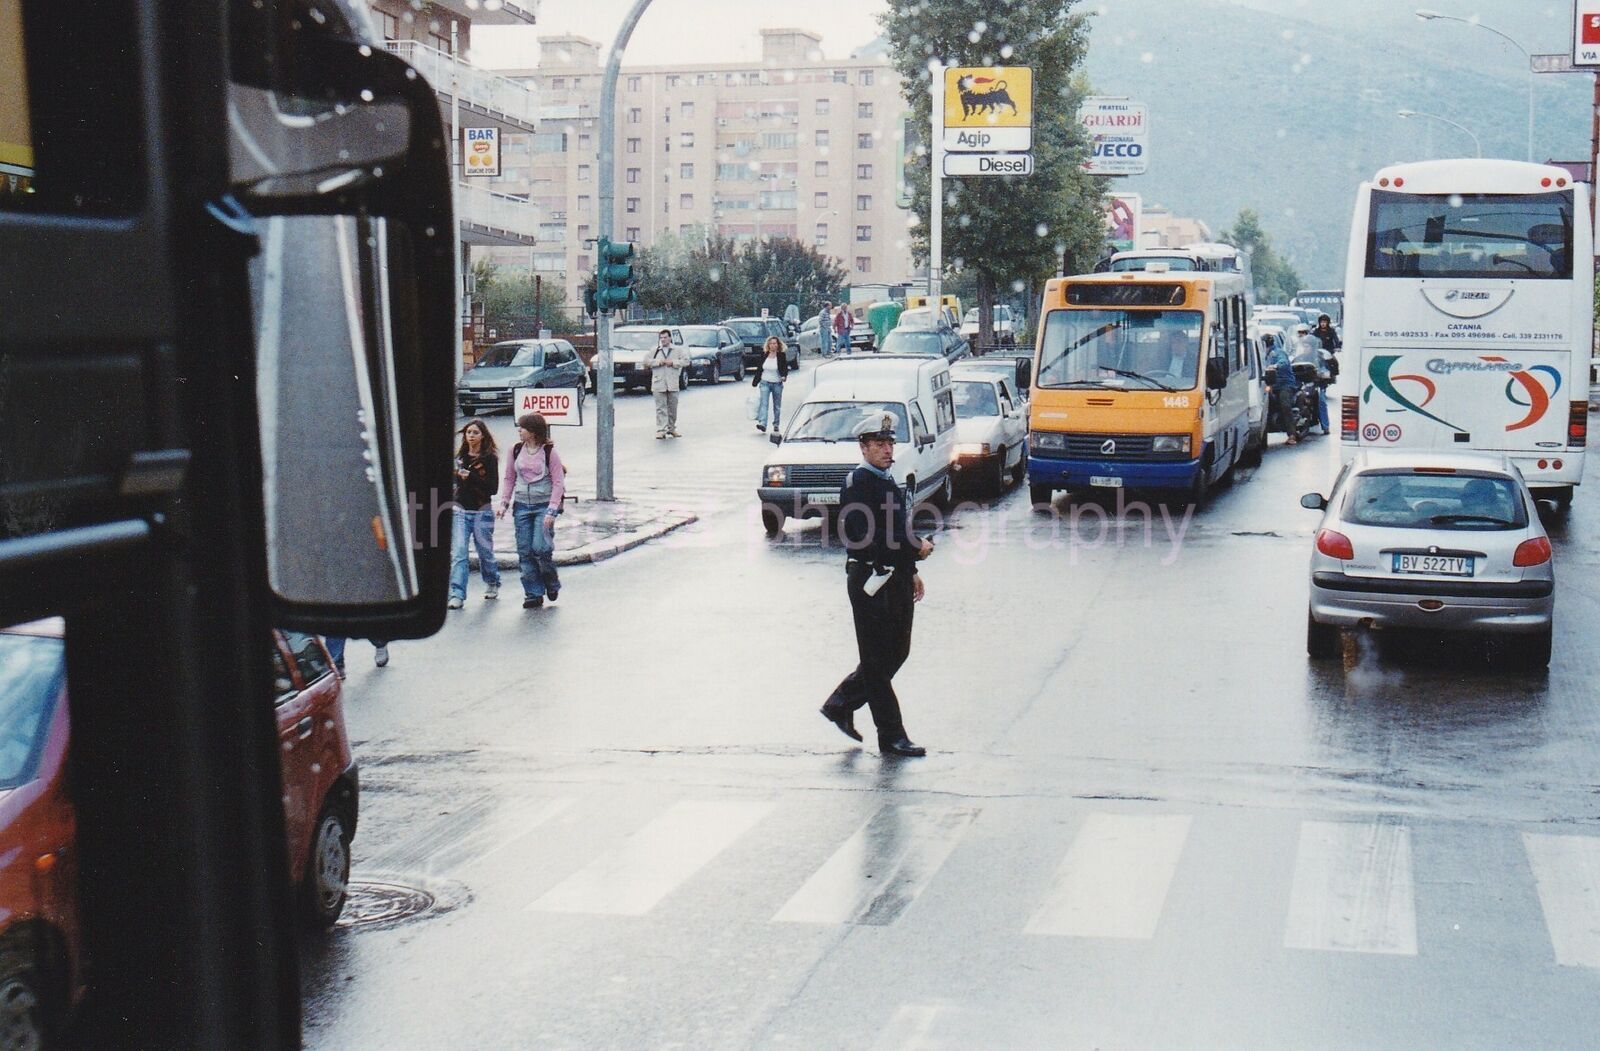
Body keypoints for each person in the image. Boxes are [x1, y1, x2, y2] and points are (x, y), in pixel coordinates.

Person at [820, 411, 935, 759]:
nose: (888, 450)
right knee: (875, 658)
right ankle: (892, 735)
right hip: (869, 578)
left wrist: (910, 567)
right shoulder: (858, 483)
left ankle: (841, 703)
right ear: (864, 447)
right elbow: (863, 537)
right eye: (880, 444)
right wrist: (914, 547)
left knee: (896, 652)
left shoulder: (886, 480)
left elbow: (897, 528)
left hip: (895, 576)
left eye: (890, 443)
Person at [498, 413, 566, 609]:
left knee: (542, 548)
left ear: (533, 431)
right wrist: (504, 503)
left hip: (543, 505)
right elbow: (509, 477)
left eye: (522, 428)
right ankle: (533, 593)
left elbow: (558, 482)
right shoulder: (516, 449)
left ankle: (551, 582)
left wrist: (552, 510)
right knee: (525, 551)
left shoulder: (549, 452)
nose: (519, 431)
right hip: (521, 506)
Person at [448, 420, 501, 608]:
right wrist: (457, 477)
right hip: (460, 510)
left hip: (481, 511)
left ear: (483, 436)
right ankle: (456, 594)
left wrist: (470, 477)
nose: (471, 435)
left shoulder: (489, 459)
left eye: (475, 432)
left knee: (485, 552)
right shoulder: (460, 457)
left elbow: (493, 488)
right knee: (459, 553)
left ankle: (492, 580)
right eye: (468, 432)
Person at [645, 328, 688, 439]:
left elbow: (686, 361)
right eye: (661, 338)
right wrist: (657, 362)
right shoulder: (654, 350)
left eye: (665, 337)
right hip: (659, 382)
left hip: (672, 382)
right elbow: (646, 362)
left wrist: (673, 362)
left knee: (673, 407)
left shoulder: (677, 350)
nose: (663, 340)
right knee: (661, 407)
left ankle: (672, 428)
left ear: (670, 338)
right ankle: (661, 429)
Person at [1290, 323, 1331, 435]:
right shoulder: (1298, 357)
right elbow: (1292, 368)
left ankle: (1325, 426)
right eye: (1304, 345)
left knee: (1321, 401)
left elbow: (1325, 369)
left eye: (1308, 346)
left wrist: (1324, 374)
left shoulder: (1319, 357)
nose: (1306, 348)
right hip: (1301, 384)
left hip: (1316, 384)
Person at [1263, 332, 1299, 445]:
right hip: (1270, 384)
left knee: (1285, 405)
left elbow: (1283, 361)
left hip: (1285, 384)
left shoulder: (1277, 353)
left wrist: (1275, 366)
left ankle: (1292, 435)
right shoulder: (1261, 354)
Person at [751, 334, 789, 436]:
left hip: (777, 383)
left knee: (777, 406)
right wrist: (755, 382)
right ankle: (763, 423)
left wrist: (784, 376)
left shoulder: (781, 356)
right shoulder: (764, 355)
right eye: (771, 343)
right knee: (764, 404)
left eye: (775, 343)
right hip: (765, 383)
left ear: (778, 345)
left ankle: (776, 424)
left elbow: (785, 368)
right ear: (768, 345)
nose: (773, 345)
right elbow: (760, 369)